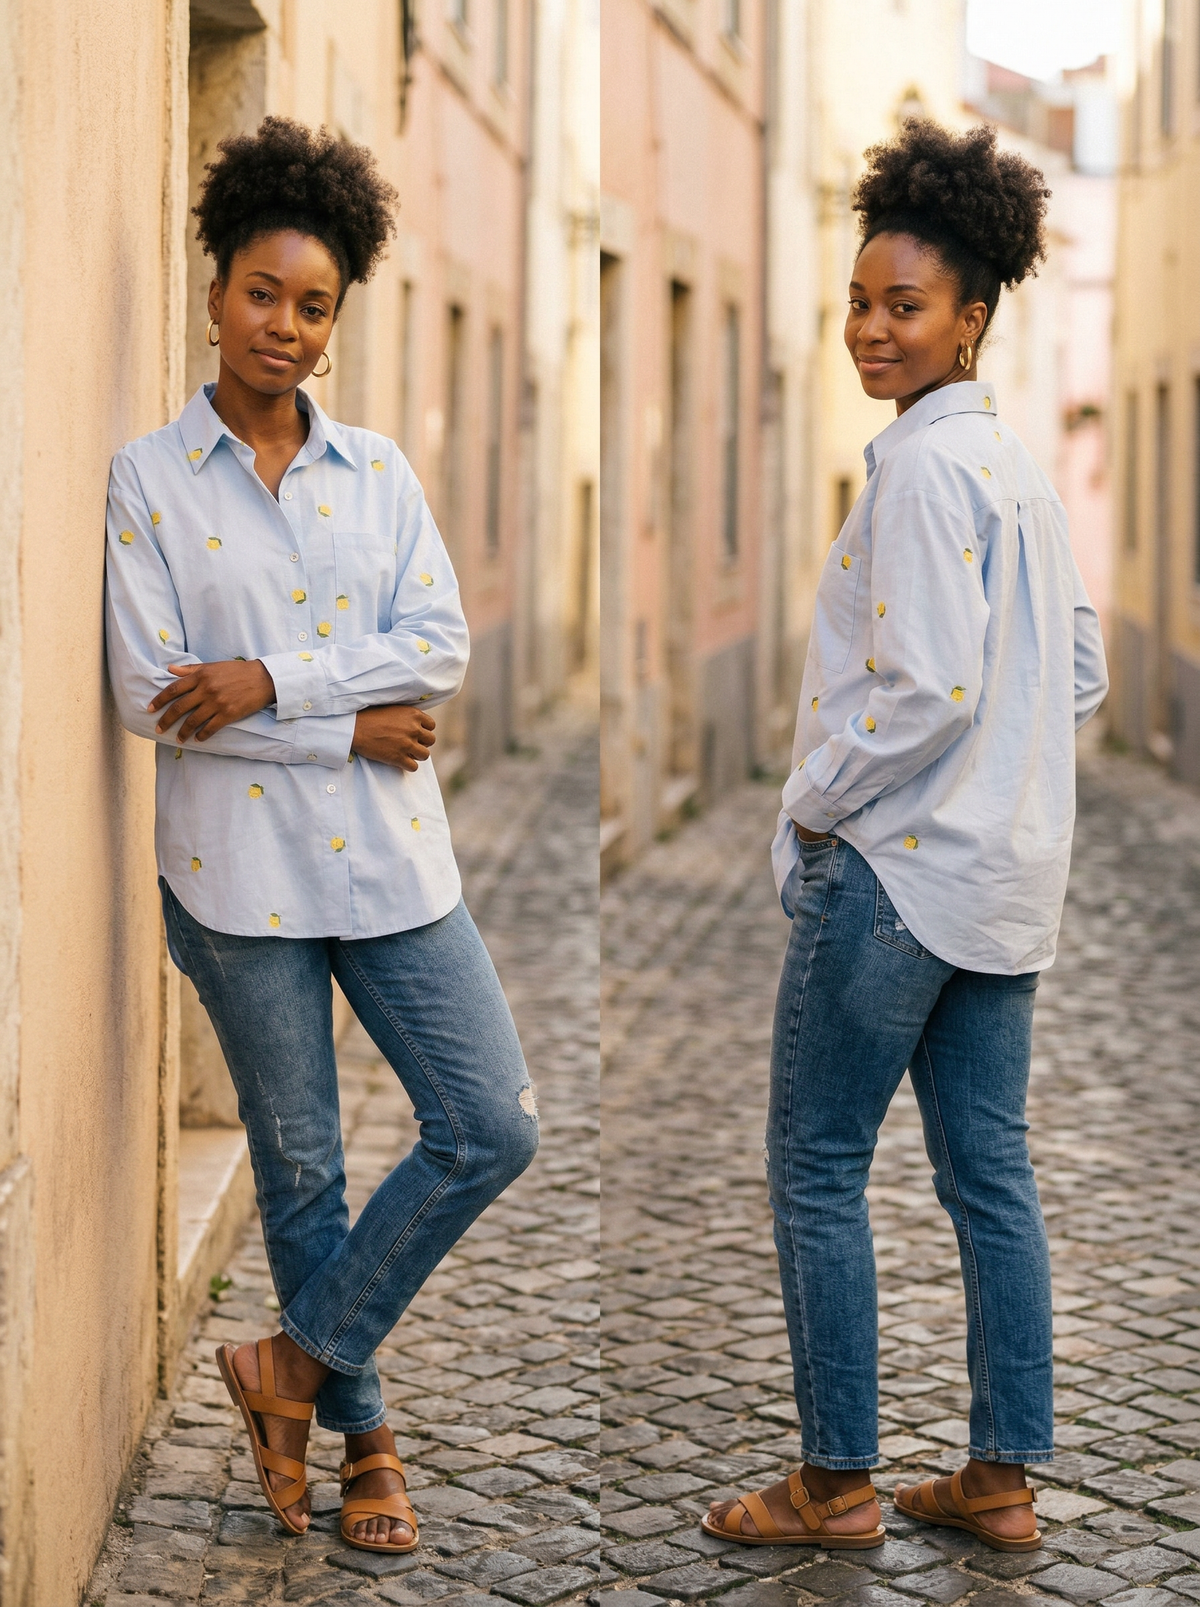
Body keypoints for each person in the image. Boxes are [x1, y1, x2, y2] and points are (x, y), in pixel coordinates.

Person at [105, 116, 538, 1555]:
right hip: (237, 881)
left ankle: (286, 1364)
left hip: (394, 866)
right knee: (303, 1172)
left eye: (312, 305)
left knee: (491, 1123)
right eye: (261, 293)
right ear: (215, 291)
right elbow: (154, 694)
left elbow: (439, 645)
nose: (282, 327)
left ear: (334, 322)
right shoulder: (148, 482)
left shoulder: (380, 474)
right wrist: (343, 722)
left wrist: (271, 682)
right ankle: (366, 1444)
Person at [703, 121, 1107, 1556]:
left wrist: (816, 800)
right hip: (1001, 887)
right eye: (860, 301)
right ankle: (1000, 1478)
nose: (872, 328)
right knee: (990, 1176)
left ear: (972, 318)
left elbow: (925, 688)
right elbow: (1077, 671)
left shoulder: (927, 472)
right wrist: (1003, 782)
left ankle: (835, 1483)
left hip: (895, 881)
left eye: (907, 306)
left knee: (817, 1164)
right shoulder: (1014, 468)